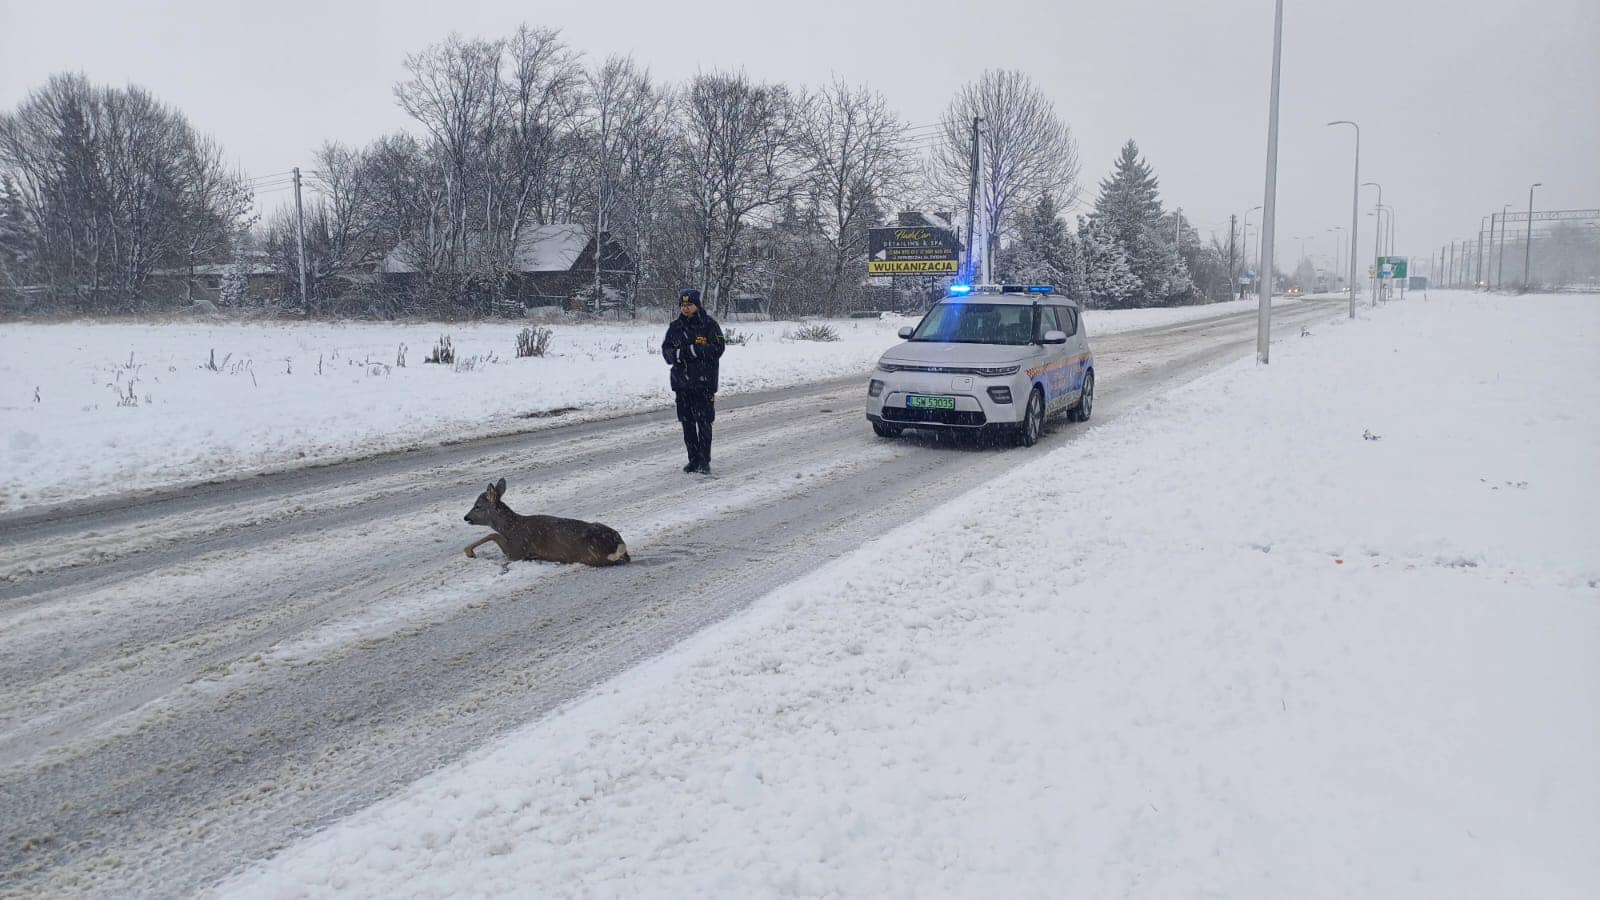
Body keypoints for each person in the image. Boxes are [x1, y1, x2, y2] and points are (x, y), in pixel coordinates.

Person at [661, 288, 725, 474]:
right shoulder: (675, 328)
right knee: (687, 423)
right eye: (683, 305)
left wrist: (696, 351)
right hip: (682, 385)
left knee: (704, 422)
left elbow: (718, 348)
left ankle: (704, 460)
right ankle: (693, 459)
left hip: (704, 383)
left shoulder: (709, 325)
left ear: (697, 305)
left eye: (689, 305)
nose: (686, 308)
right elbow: (667, 352)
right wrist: (678, 354)